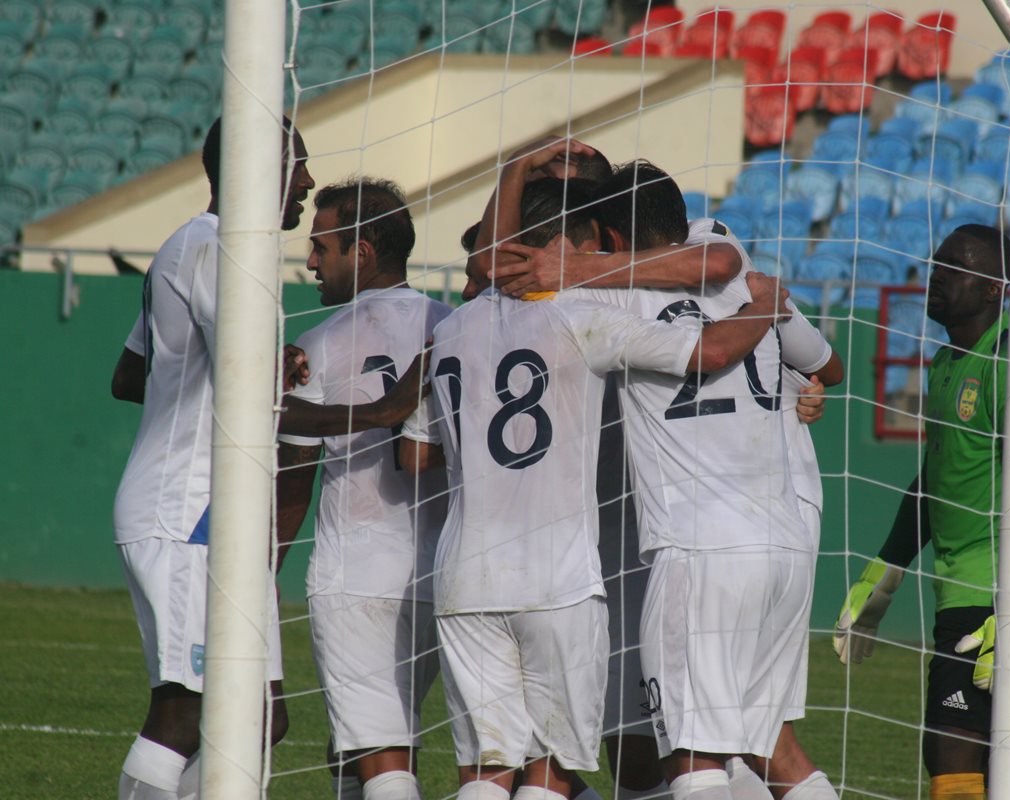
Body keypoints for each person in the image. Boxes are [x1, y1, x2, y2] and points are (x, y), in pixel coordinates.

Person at [398, 185, 793, 800]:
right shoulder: (581, 314)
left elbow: (413, 453)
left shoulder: (449, 329)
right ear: (552, 246)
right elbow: (712, 348)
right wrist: (767, 308)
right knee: (554, 769)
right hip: (561, 577)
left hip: (464, 573)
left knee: (486, 769)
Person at [482, 155, 843, 800]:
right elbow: (732, 275)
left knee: (693, 759)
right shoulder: (739, 274)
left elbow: (493, 276)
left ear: (608, 239)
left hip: (700, 552)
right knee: (772, 748)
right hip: (785, 544)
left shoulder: (596, 297)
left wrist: (525, 192)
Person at [111, 117, 315, 800]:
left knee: (262, 715)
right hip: (185, 507)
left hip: (217, 511)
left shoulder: (200, 248)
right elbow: (247, 384)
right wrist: (373, 413)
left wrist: (193, 377)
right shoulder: (215, 249)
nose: (309, 184)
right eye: (298, 166)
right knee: (189, 709)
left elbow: (128, 374)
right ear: (256, 170)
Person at [832, 224, 1010, 799]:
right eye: (936, 263)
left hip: (999, 593)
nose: (937, 276)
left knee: (956, 753)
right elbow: (933, 480)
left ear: (993, 289)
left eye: (955, 267)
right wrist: (884, 573)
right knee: (986, 759)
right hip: (961, 589)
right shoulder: (944, 363)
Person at [275, 177, 452, 800]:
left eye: (323, 245)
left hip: (356, 575)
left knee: (381, 757)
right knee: (354, 749)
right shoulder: (453, 327)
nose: (311, 259)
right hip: (443, 573)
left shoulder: (316, 346)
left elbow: (294, 478)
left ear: (364, 251)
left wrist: (263, 574)